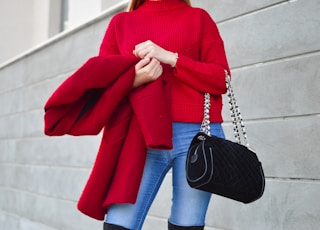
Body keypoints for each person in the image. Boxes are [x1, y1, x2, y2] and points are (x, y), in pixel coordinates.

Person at [99, 0, 230, 229]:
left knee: (187, 226)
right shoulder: (121, 23)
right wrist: (136, 79)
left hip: (196, 137)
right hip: (139, 137)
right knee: (118, 225)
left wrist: (172, 58)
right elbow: (101, 85)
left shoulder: (199, 19)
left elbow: (222, 79)